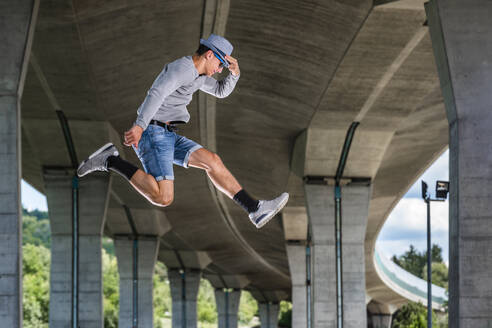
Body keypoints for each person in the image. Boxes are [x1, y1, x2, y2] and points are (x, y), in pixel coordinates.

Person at [77, 34, 288, 229]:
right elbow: (157, 92)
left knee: (212, 161)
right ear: (209, 55)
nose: (219, 69)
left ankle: (254, 209)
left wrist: (235, 73)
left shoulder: (198, 76)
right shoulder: (183, 68)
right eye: (220, 64)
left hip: (168, 134)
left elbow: (220, 91)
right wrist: (140, 126)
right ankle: (110, 160)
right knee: (163, 198)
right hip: (153, 132)